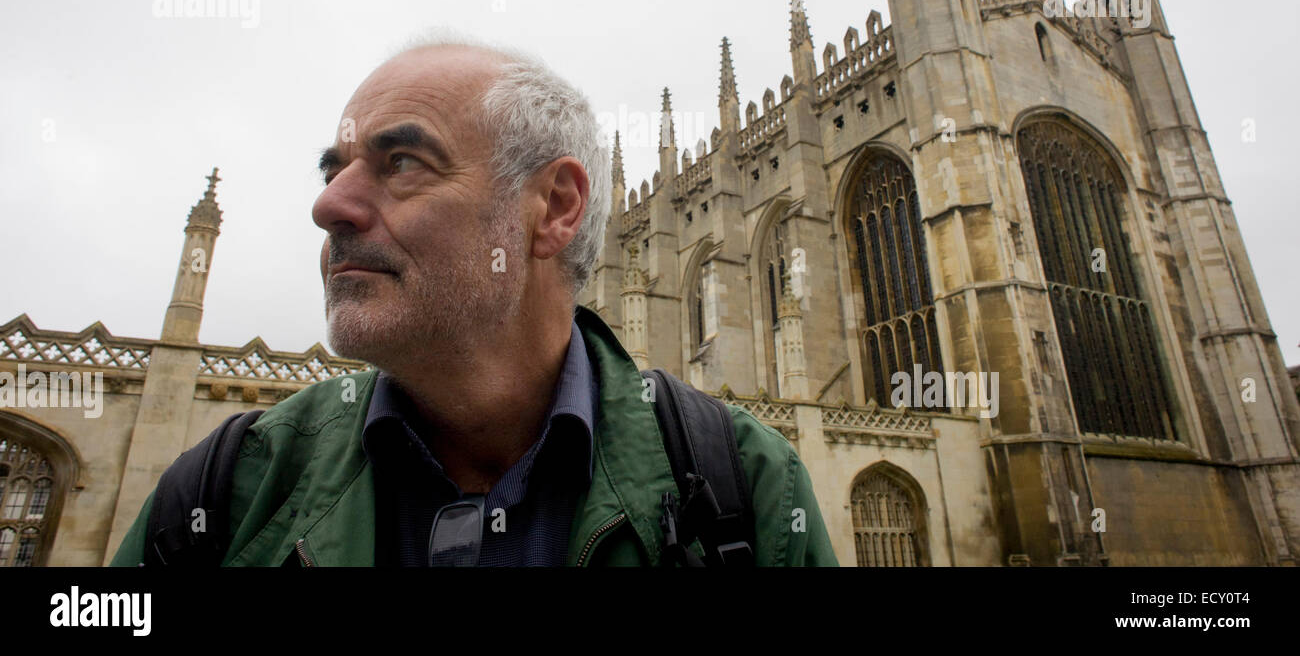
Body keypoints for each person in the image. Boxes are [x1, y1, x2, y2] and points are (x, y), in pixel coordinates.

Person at [110, 33, 838, 566]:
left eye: (401, 163)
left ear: (555, 208)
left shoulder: (742, 482)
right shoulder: (228, 486)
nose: (329, 204)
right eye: (333, 170)